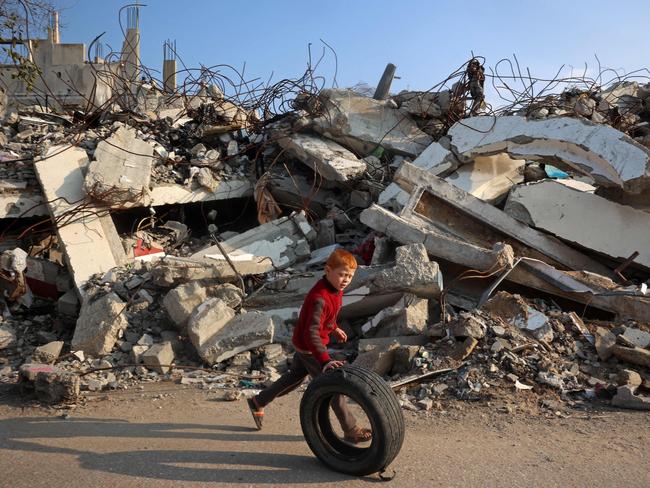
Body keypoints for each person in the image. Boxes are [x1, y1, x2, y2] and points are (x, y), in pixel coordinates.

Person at [246, 248, 372, 443]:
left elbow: (327, 317)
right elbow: (312, 332)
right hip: (310, 347)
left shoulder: (335, 290)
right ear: (327, 270)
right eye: (342, 274)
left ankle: (258, 401)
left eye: (350, 276)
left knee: (293, 379)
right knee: (334, 387)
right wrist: (325, 361)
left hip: (307, 345)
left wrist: (334, 328)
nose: (346, 280)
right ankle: (351, 429)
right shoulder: (318, 298)